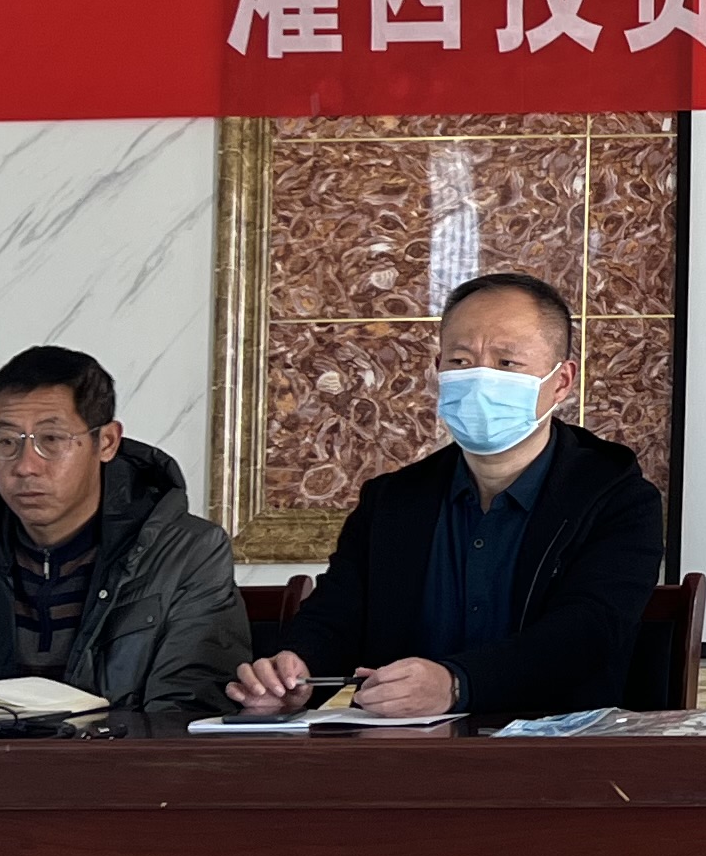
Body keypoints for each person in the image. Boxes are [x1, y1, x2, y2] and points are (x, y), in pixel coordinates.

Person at [226, 270, 667, 727]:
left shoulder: (618, 500)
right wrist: (293, 675)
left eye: (506, 362)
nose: (479, 378)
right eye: (460, 360)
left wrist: (456, 684)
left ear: (561, 381)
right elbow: (337, 616)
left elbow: (588, 633)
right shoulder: (392, 500)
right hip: (401, 752)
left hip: (558, 749)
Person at [0, 343, 247, 727]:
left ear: (106, 441)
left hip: (122, 762)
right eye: (7, 441)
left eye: (52, 440)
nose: (25, 467)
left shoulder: (188, 554)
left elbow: (187, 716)